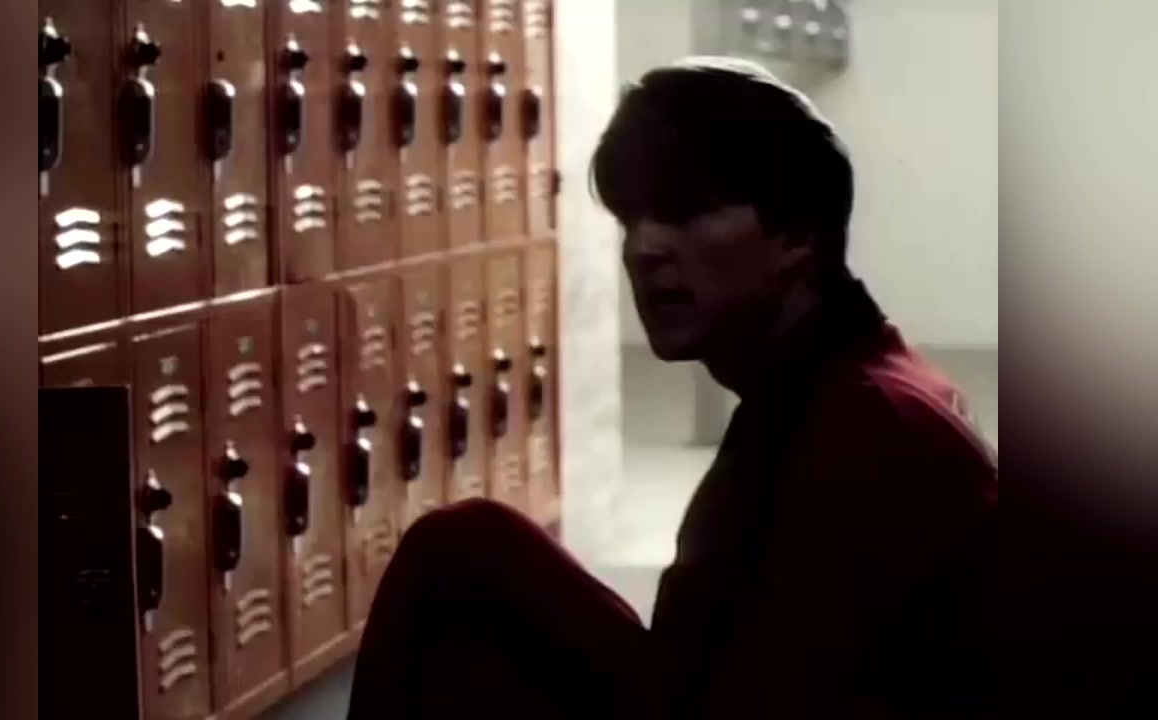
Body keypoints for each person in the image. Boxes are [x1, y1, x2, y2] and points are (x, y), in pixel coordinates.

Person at [347, 57, 997, 719]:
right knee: (471, 550)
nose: (644, 248)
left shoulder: (859, 433)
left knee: (460, 555)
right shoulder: (839, 383)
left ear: (797, 235)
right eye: (631, 218)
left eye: (685, 212)